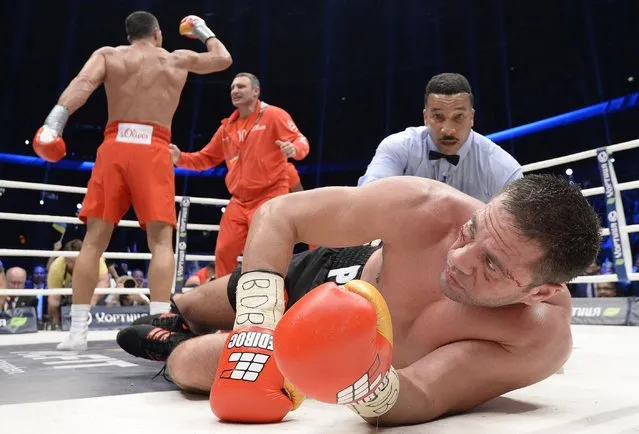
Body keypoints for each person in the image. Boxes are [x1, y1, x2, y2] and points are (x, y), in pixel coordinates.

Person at [117, 173, 601, 426]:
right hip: (339, 271)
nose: (460, 257)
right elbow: (279, 213)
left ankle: (170, 345)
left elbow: (427, 392)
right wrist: (258, 323)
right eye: (472, 231)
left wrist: (360, 380)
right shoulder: (426, 208)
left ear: (541, 290)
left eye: (492, 264)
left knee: (193, 365)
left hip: (348, 342)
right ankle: (183, 315)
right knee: (197, 302)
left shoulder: (536, 336)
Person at [31, 10, 232, 351]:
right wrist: (201, 29)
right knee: (160, 241)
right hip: (153, 151)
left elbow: (82, 85)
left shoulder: (109, 55)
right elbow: (223, 59)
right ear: (157, 34)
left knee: (94, 239)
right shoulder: (176, 59)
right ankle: (160, 327)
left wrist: (53, 125)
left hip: (115, 147)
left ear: (130, 35)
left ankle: (77, 333)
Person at [169, 72, 309, 277]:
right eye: (233, 87)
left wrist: (294, 150)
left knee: (264, 251)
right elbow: (205, 158)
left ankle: (274, 294)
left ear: (256, 91)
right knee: (224, 251)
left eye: (241, 87)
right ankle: (224, 302)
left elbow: (301, 140)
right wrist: (179, 157)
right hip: (238, 200)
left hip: (270, 195)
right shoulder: (227, 128)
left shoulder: (273, 115)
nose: (235, 90)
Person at [358, 73, 522, 203]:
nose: (448, 130)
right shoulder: (398, 147)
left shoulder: (503, 167)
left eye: (458, 117)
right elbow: (368, 198)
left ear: (472, 117)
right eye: (438, 117)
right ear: (425, 117)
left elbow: (516, 228)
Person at [47, 239, 110, 328]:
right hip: (68, 295)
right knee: (53, 304)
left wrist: (92, 300)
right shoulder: (56, 267)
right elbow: (53, 298)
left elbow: (104, 281)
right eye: (71, 261)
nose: (74, 264)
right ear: (65, 258)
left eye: (77, 261)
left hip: (92, 290)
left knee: (107, 286)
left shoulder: (95, 259)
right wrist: (56, 321)